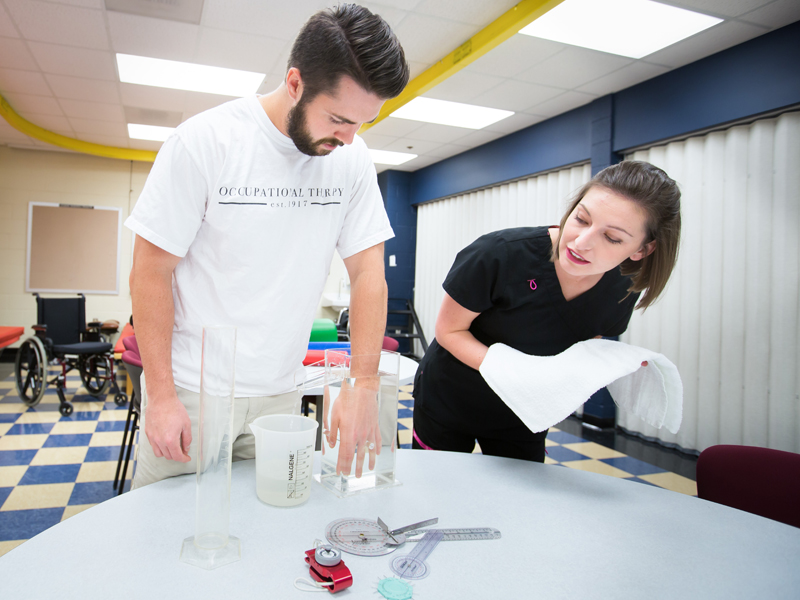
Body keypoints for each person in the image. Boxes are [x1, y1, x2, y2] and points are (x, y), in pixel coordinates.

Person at [126, 4, 409, 488]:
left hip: (281, 393)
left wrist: (363, 384)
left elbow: (368, 274)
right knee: (167, 539)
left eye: (362, 123)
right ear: (295, 83)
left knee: (267, 534)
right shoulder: (205, 141)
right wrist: (162, 396)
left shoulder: (352, 159)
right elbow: (151, 271)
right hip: (194, 392)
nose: (349, 137)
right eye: (339, 119)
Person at [411, 160, 682, 461]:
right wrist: (520, 373)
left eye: (611, 237)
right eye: (581, 219)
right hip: (450, 398)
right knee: (439, 491)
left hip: (524, 411)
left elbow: (587, 343)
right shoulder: (498, 254)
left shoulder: (622, 287)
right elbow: (449, 331)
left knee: (517, 502)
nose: (581, 242)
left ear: (643, 249)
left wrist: (612, 365)